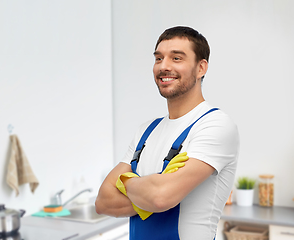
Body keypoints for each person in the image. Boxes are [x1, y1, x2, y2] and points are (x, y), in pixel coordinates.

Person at [95, 26, 239, 240]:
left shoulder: (215, 125)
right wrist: (154, 188)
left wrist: (125, 180)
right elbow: (103, 202)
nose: (164, 66)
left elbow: (161, 197)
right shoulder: (146, 131)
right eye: (159, 58)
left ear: (201, 68)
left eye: (177, 58)